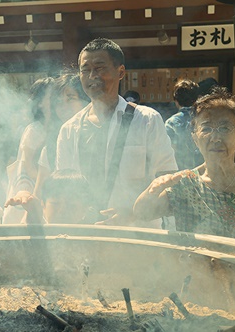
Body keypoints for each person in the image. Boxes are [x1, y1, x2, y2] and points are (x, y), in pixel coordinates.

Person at [133, 87, 235, 239]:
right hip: (194, 263)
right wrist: (153, 190)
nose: (215, 138)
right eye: (206, 128)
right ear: (195, 138)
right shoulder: (185, 184)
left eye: (225, 128)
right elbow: (142, 213)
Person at [56, 37, 177, 227]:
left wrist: (132, 213)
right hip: (86, 234)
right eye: (85, 70)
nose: (91, 75)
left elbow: (168, 181)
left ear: (120, 72)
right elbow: (62, 189)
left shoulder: (146, 120)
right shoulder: (69, 130)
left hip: (137, 234)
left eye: (99, 68)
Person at [2, 77, 54, 223]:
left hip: (43, 194)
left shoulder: (54, 129)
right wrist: (48, 184)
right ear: (41, 102)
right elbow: (28, 165)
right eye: (51, 96)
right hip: (26, 192)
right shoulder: (35, 130)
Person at [33, 73, 90, 199]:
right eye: (58, 102)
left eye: (70, 98)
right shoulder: (51, 147)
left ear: (86, 101)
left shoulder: (99, 138)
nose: (64, 107)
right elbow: (39, 195)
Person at [4, 169, 92, 224]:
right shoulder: (40, 231)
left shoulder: (92, 237)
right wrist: (27, 199)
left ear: (84, 209)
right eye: (55, 203)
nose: (62, 210)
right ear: (43, 205)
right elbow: (35, 216)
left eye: (71, 205)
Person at [165, 79, 203, 170]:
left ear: (176, 100)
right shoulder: (205, 120)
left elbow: (167, 152)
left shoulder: (171, 123)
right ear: (197, 99)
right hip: (204, 172)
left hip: (180, 172)